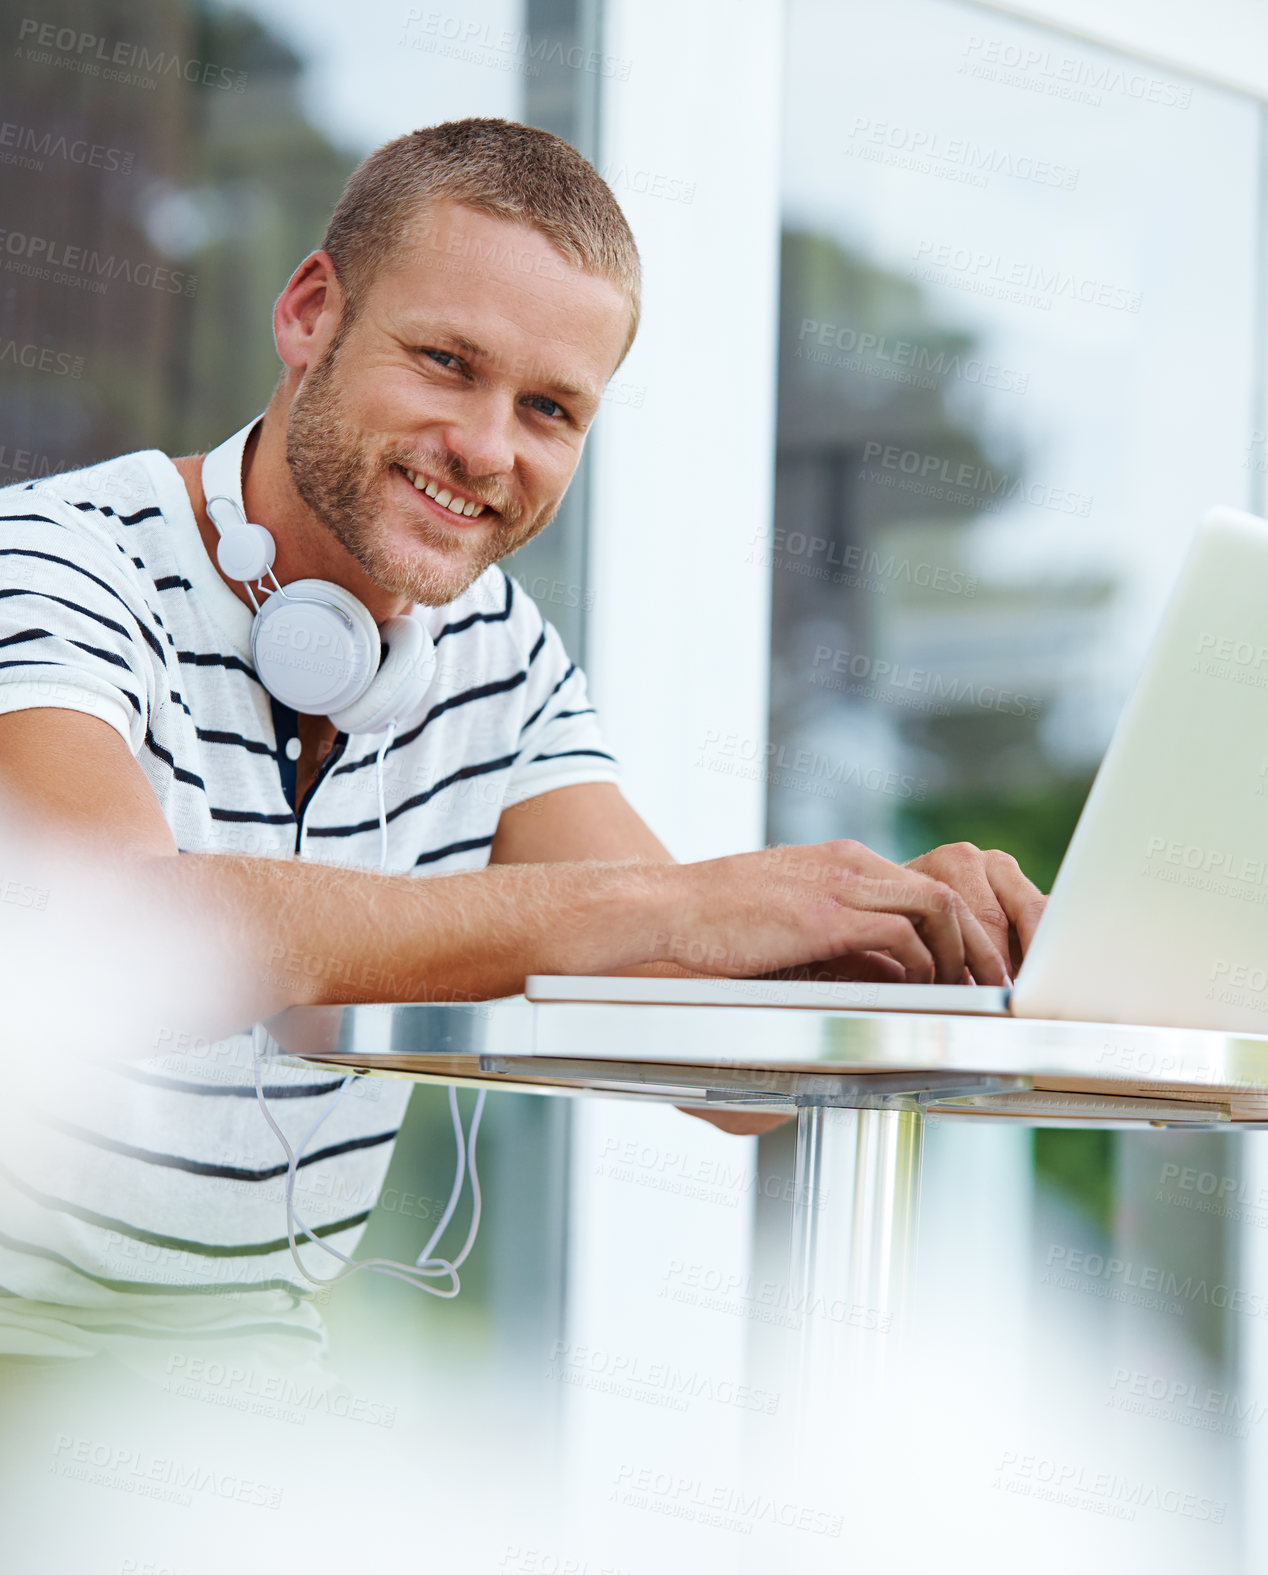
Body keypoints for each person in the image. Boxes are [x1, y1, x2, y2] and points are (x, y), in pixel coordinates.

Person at [0, 118, 1044, 1345]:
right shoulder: (56, 562)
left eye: (548, 409)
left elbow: (734, 1092)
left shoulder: (498, 654)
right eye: (445, 361)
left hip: (248, 1391)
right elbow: (127, 938)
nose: (487, 448)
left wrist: (886, 939)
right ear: (309, 314)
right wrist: (670, 908)